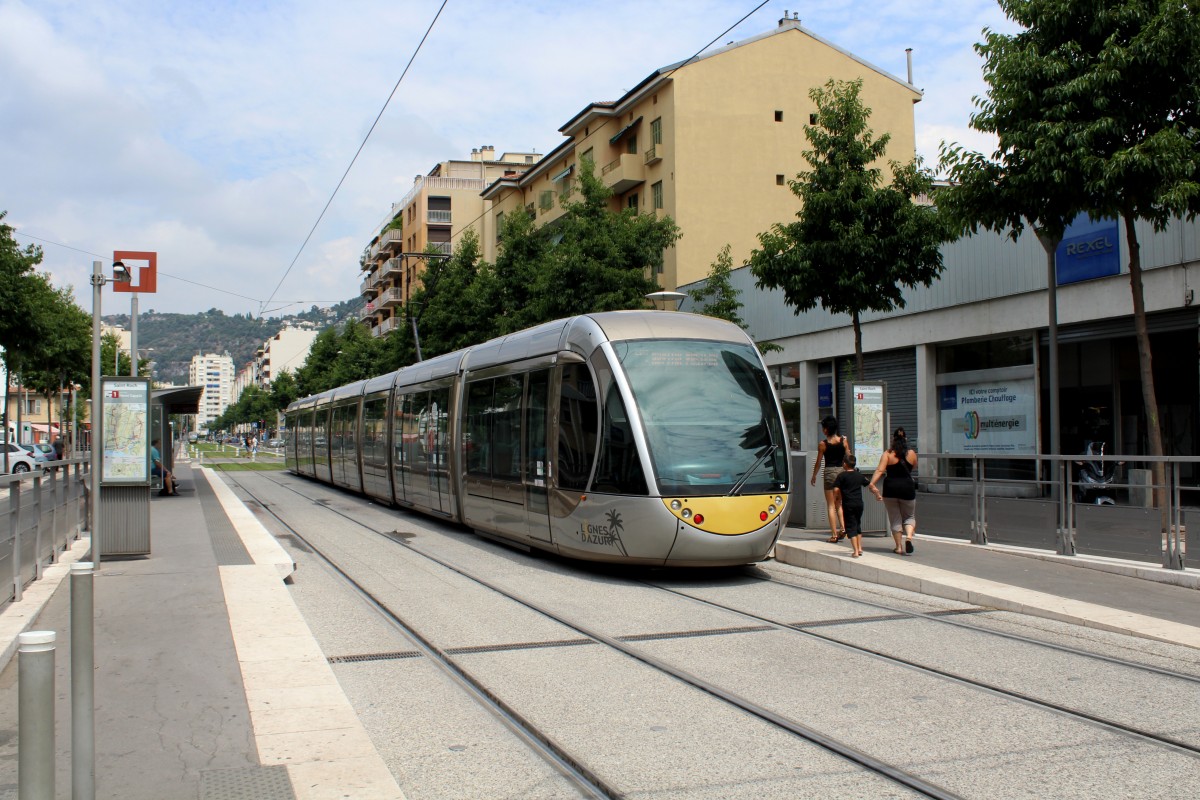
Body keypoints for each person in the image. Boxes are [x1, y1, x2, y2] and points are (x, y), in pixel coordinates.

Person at [868, 428, 918, 554]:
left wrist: (872, 483)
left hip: (890, 489)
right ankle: (909, 537)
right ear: (905, 439)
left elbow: (880, 470)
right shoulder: (911, 453)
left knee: (895, 518)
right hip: (907, 488)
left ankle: (898, 547)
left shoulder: (887, 454)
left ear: (893, 439)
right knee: (909, 517)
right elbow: (914, 466)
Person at [809, 416, 848, 542]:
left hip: (829, 472)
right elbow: (849, 455)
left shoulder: (823, 444)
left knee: (831, 505)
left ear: (826, 429)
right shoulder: (843, 441)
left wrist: (814, 475)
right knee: (839, 503)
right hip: (841, 472)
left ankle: (834, 535)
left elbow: (819, 462)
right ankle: (843, 528)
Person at [833, 454, 879, 557]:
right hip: (859, 503)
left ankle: (855, 551)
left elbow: (836, 489)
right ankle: (860, 548)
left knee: (850, 526)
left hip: (848, 504)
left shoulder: (841, 476)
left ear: (844, 464)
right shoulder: (859, 475)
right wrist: (877, 494)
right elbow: (870, 485)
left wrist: (835, 498)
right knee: (857, 525)